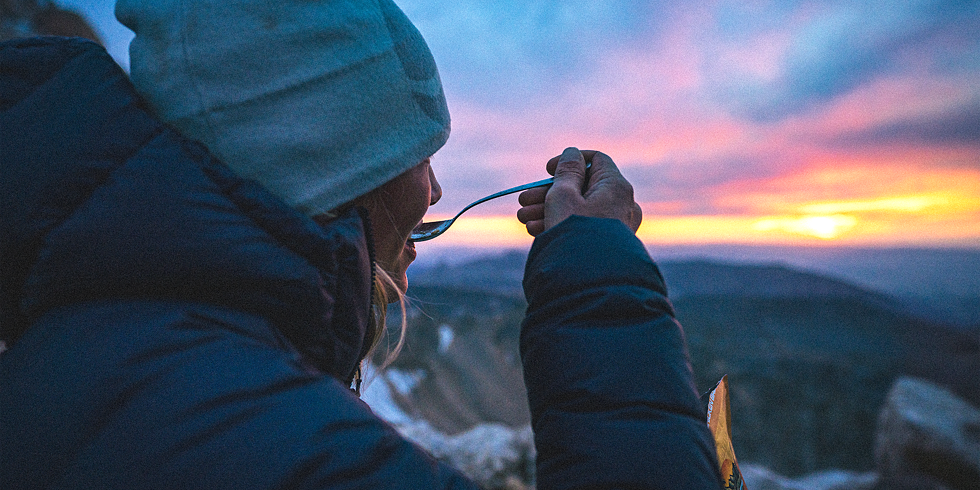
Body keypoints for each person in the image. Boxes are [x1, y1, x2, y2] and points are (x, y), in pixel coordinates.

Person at [0, 0, 721, 488]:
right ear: (333, 166)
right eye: (417, 155)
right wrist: (600, 267)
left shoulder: (99, 344)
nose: (435, 192)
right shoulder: (280, 446)